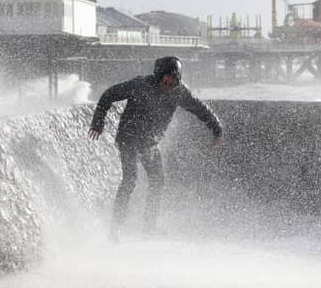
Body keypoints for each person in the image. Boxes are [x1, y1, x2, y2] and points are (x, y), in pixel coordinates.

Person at [88, 56, 222, 241]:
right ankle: (115, 230)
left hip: (149, 143)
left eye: (174, 79)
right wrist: (98, 122)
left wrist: (216, 128)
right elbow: (109, 95)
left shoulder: (179, 92)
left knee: (158, 181)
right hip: (128, 139)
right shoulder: (140, 85)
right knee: (130, 180)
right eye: (167, 78)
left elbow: (199, 108)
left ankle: (148, 228)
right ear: (158, 75)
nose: (170, 82)